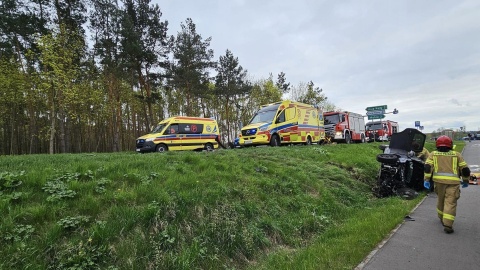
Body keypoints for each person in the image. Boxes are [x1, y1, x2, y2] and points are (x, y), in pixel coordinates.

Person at [424, 135, 470, 234]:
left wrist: (426, 180)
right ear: (450, 144)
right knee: (450, 202)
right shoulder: (457, 155)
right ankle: (448, 224)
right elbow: (465, 170)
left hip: (438, 183)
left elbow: (427, 167)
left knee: (441, 200)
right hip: (453, 184)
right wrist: (466, 181)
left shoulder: (433, 154)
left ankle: (441, 218)